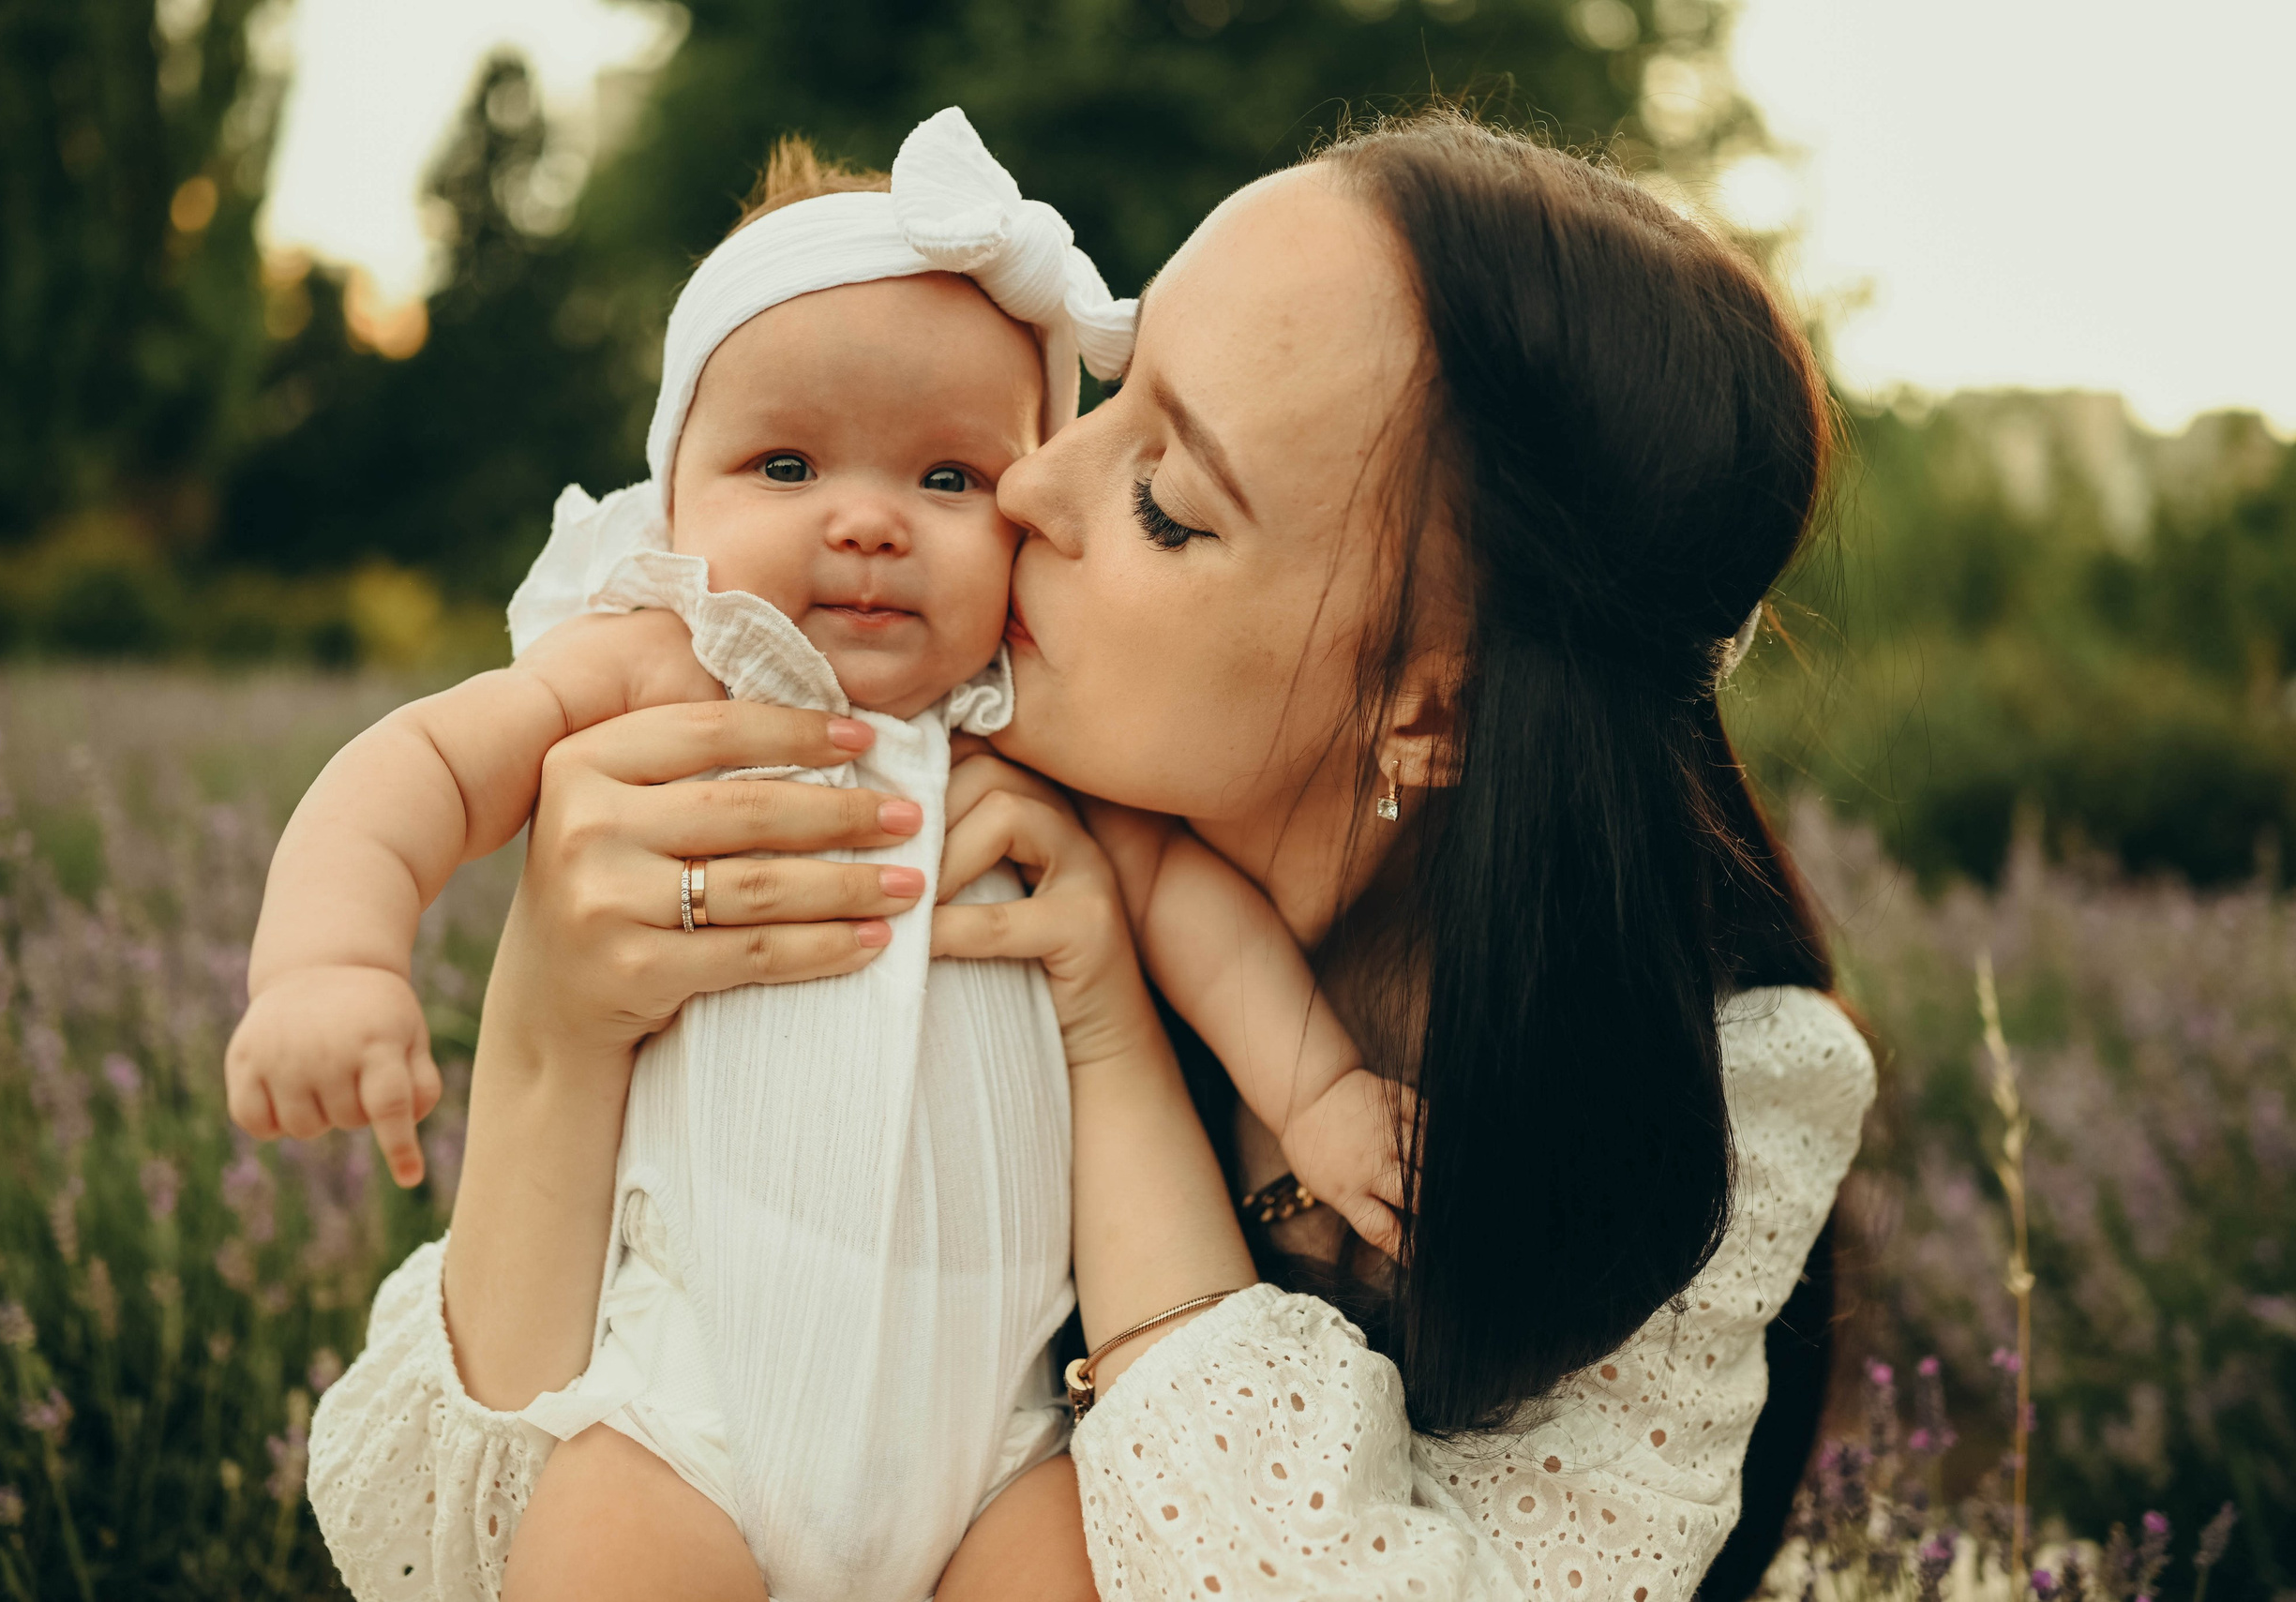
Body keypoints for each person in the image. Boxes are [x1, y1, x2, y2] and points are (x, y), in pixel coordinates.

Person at [305, 107, 1874, 1600]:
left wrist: (1117, 1041)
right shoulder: (873, 762)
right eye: (1107, 390)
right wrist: (550, 1033)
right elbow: (436, 1558)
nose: (1030, 482)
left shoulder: (1712, 1100)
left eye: (1166, 501)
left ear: (1425, 711)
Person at [263, 110, 1402, 1602]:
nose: (866, 523)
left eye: (947, 480)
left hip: (1000, 1443)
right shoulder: (664, 668)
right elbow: (414, 762)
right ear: (677, 494)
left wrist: (1315, 1088)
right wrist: (328, 959)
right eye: (788, 463)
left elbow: (1188, 908)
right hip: (691, 1424)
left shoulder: (1026, 741)